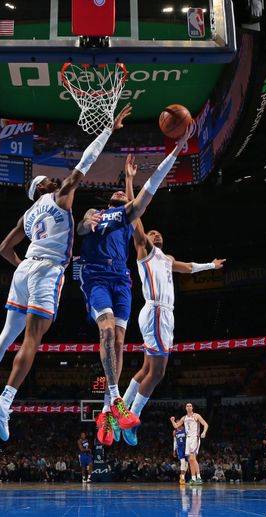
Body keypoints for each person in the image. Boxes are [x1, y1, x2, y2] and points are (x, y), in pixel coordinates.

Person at [0, 104, 133, 441]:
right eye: (47, 180)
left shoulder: (27, 216)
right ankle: (3, 402)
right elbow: (87, 160)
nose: (52, 179)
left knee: (6, 335)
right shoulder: (59, 196)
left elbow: (3, 249)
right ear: (42, 188)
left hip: (23, 269)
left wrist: (22, 267)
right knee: (31, 339)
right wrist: (109, 129)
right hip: (46, 271)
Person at [78, 128, 192, 446]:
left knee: (131, 355)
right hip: (111, 284)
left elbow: (138, 207)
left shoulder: (133, 228)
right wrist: (90, 222)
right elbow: (85, 224)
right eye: (117, 195)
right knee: (128, 351)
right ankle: (117, 410)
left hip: (123, 284)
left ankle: (113, 413)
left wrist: (207, 266)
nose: (119, 197)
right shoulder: (100, 214)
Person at [120, 155, 225, 445]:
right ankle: (131, 421)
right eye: (153, 232)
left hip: (164, 315)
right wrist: (129, 181)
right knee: (158, 372)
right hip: (154, 311)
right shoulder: (144, 250)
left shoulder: (167, 259)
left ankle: (121, 412)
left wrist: (210, 266)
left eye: (160, 233)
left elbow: (188, 267)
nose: (157, 234)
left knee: (145, 370)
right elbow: (135, 215)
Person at [170, 403, 208, 485]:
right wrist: (172, 421)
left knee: (192, 458)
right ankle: (193, 478)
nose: (189, 407)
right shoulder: (184, 418)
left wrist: (204, 432)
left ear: (192, 407)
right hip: (188, 439)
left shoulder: (197, 416)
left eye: (190, 406)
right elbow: (176, 426)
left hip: (195, 437)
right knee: (190, 460)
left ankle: (199, 477)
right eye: (187, 406)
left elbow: (205, 424)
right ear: (185, 408)